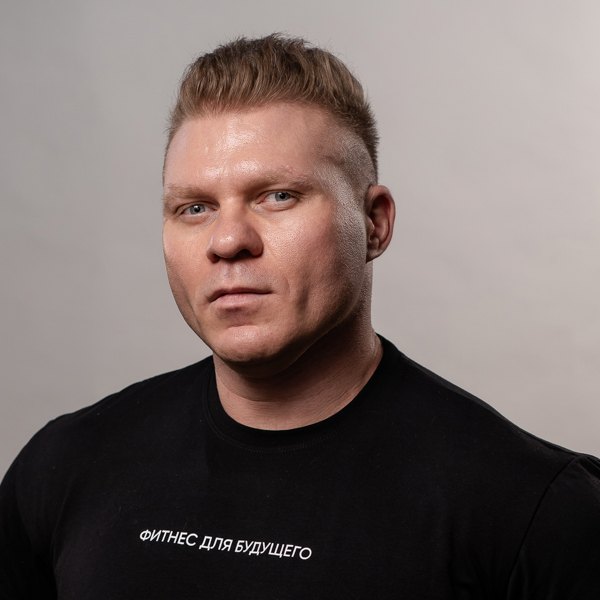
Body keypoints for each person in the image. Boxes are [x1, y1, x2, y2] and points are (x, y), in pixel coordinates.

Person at [1, 34, 599, 599]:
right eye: (194, 208)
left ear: (374, 223)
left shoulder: (537, 511)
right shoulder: (63, 467)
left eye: (278, 196)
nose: (227, 241)